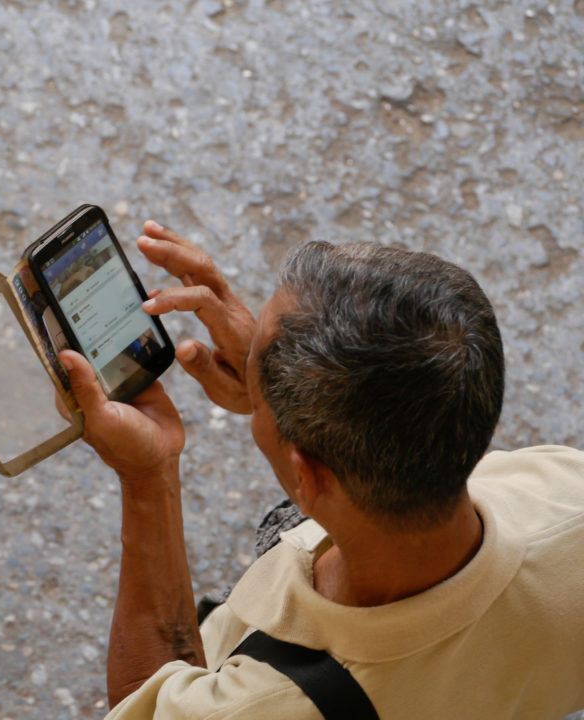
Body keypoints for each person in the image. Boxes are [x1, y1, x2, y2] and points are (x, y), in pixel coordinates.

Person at [56, 220, 584, 719]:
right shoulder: (564, 491)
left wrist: (149, 476)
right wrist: (279, 395)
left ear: (307, 478)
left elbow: (144, 704)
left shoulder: (264, 704)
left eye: (253, 384)